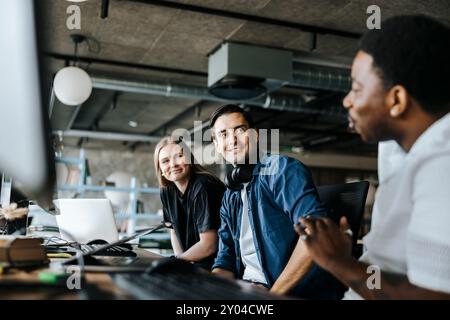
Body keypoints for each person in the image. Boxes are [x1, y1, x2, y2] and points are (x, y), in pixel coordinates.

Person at [296, 15, 450, 299]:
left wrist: (338, 262)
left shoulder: (443, 162)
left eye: (356, 88)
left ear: (397, 101)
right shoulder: (405, 146)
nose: (347, 100)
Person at [210, 104, 343, 299]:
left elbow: (315, 234)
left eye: (240, 130)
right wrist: (212, 290)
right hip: (247, 289)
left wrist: (272, 296)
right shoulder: (231, 195)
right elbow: (226, 257)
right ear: (216, 145)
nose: (232, 140)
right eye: (223, 134)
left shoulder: (281, 170)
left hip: (287, 292)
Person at [154, 136, 225, 270]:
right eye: (165, 161)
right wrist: (181, 261)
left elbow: (209, 245)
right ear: (160, 170)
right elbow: (173, 231)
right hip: (193, 263)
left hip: (218, 265)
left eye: (179, 156)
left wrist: (178, 262)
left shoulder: (204, 186)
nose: (173, 164)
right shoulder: (167, 191)